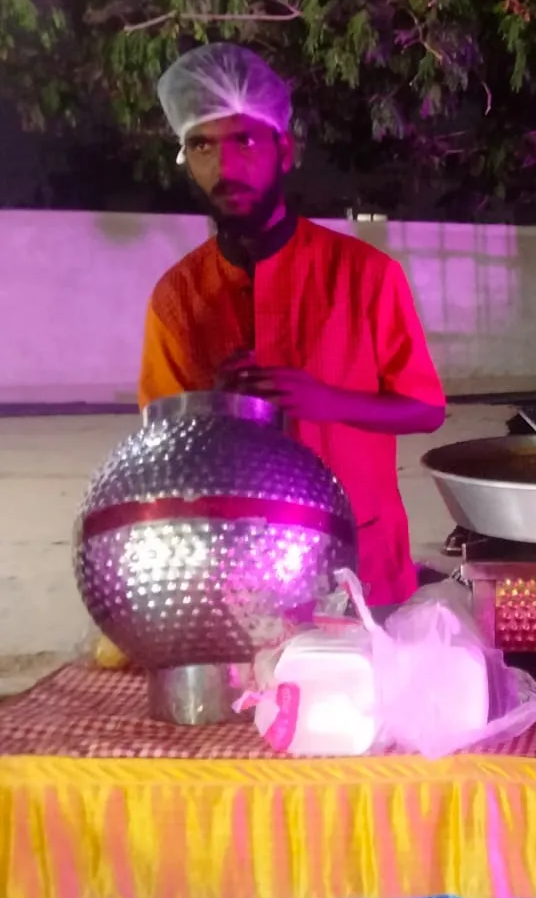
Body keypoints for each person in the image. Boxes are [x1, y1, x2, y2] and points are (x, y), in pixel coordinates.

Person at [139, 44, 446, 606]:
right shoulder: (178, 298)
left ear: (285, 149)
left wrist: (328, 401)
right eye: (201, 144)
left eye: (245, 140)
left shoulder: (365, 275)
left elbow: (425, 409)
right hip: (235, 571)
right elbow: (161, 452)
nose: (225, 166)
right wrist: (215, 412)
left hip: (363, 562)